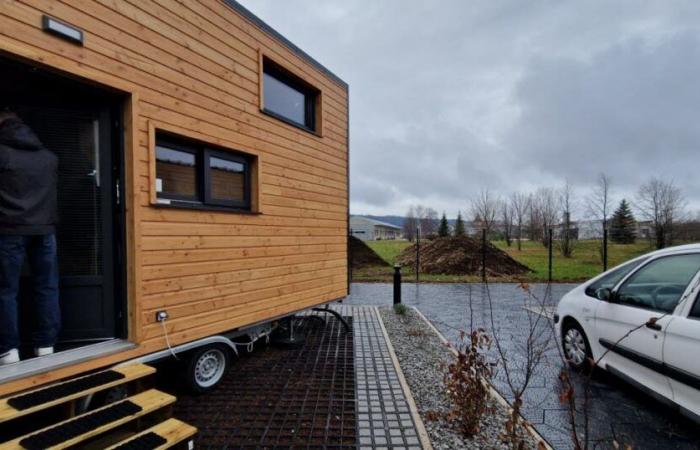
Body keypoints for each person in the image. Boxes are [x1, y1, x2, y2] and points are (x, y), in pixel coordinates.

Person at [0, 109, 60, 365]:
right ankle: (45, 346)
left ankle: (8, 352)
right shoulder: (49, 157)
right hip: (45, 231)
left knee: (5, 290)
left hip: (8, 230)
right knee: (46, 287)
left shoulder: (2, 154)